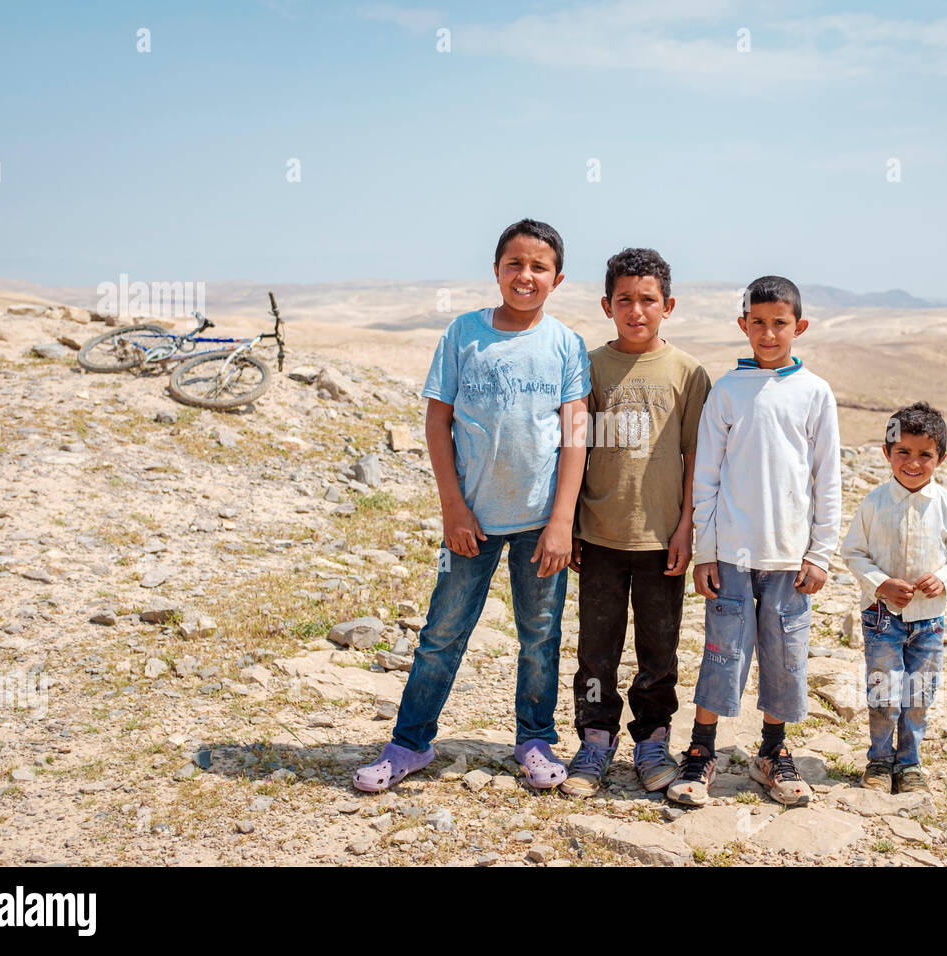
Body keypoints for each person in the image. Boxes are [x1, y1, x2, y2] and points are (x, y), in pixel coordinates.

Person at [352, 218, 590, 792]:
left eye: (539, 267)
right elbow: (438, 422)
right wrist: (452, 508)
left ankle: (535, 741)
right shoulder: (464, 334)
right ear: (496, 270)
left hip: (539, 524)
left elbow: (578, 434)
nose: (525, 275)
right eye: (515, 264)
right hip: (471, 523)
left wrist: (562, 522)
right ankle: (409, 743)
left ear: (557, 279)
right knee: (442, 630)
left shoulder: (565, 344)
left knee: (540, 634)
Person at [667, 275, 841, 807]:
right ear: (743, 325)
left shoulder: (815, 393)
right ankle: (700, 753)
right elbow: (707, 480)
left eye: (780, 324)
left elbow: (826, 477)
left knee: (785, 654)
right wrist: (706, 551)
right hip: (733, 556)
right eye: (758, 323)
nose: (768, 334)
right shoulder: (727, 390)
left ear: (799, 327)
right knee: (723, 652)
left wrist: (820, 553)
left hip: (790, 558)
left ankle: (773, 751)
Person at [561, 247, 711, 797]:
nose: (636, 310)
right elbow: (574, 447)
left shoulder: (689, 373)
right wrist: (572, 522)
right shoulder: (590, 367)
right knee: (595, 649)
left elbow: (697, 457)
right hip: (599, 535)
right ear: (607, 304)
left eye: (648, 299)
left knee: (659, 649)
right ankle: (595, 739)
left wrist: (686, 528)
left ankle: (652, 739)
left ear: (667, 305)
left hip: (660, 541)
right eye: (624, 299)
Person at [840, 401, 947, 794]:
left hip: (930, 620)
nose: (913, 463)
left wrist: (945, 579)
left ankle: (910, 763)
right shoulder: (874, 503)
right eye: (903, 452)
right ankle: (880, 762)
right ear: (887, 453)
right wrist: (881, 583)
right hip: (882, 618)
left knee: (919, 693)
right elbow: (853, 553)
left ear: (941, 458)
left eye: (925, 455)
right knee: (884, 692)